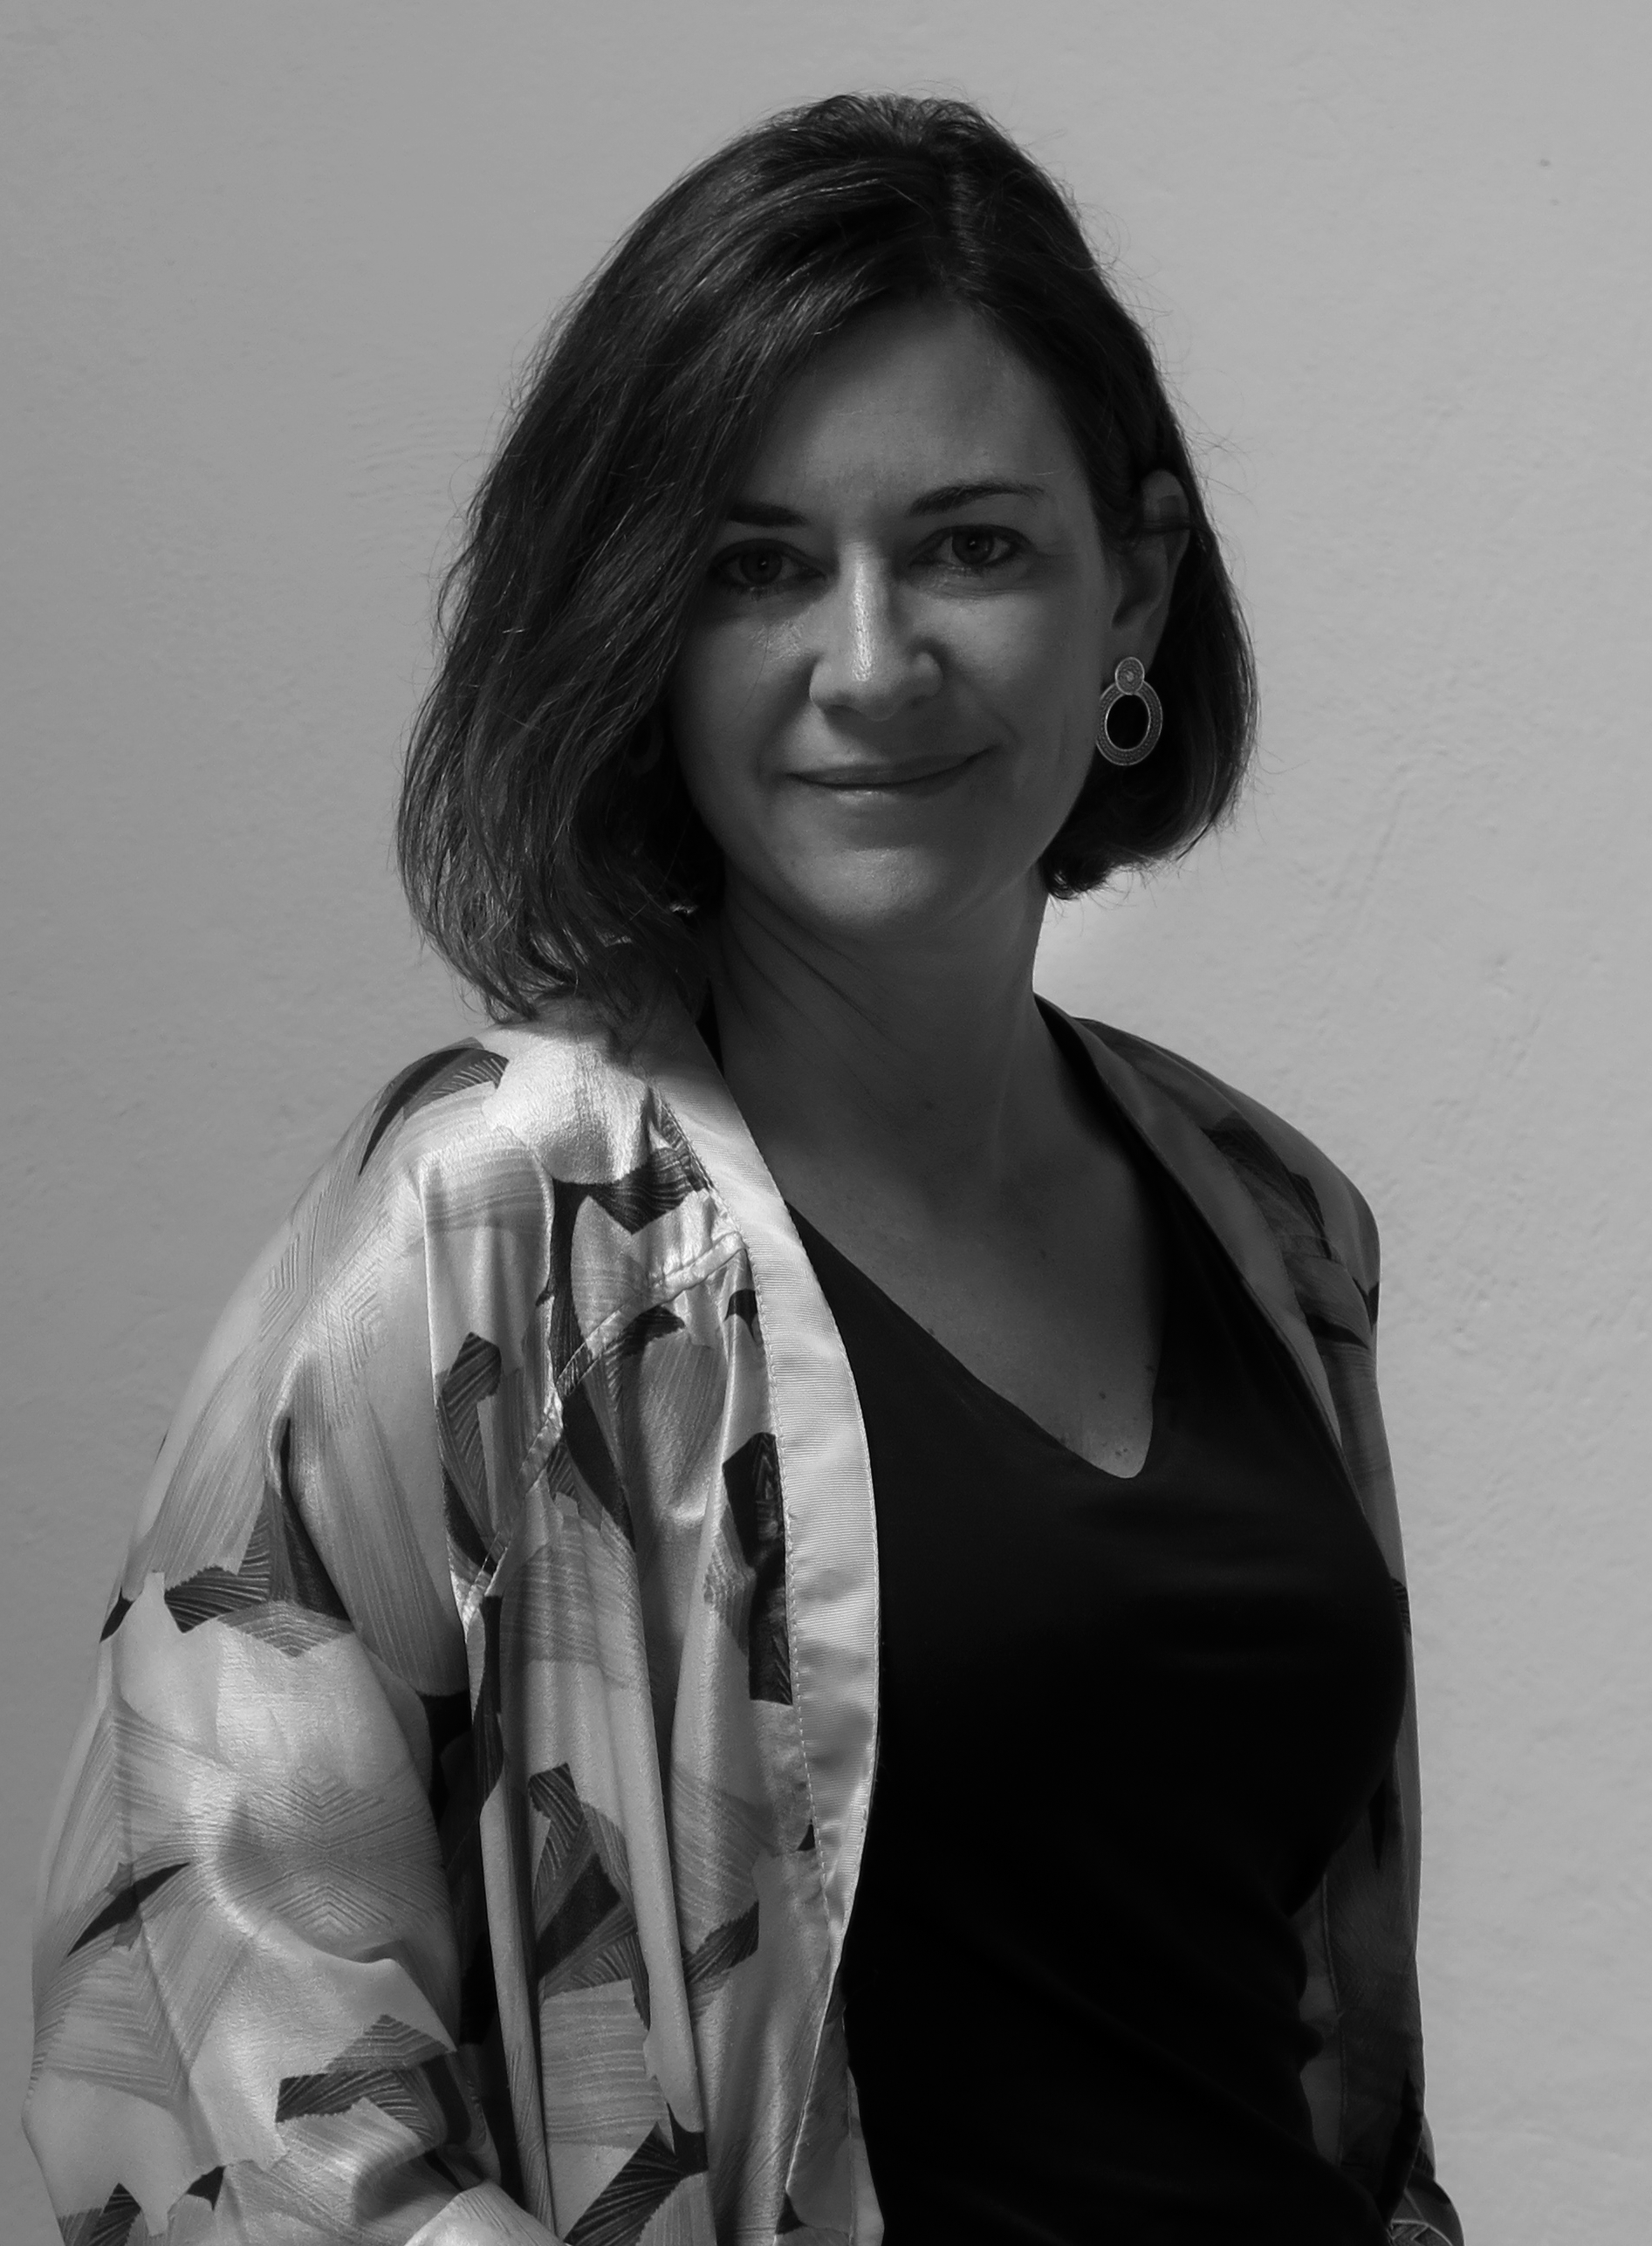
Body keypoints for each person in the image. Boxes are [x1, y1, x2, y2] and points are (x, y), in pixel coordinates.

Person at [25, 92, 1462, 2246]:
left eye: (971, 546)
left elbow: (1320, 2045)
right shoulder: (494, 1223)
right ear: (645, 627)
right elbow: (192, 2031)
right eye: (756, 568)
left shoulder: (1273, 1223)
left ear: (1136, 590)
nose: (869, 666)